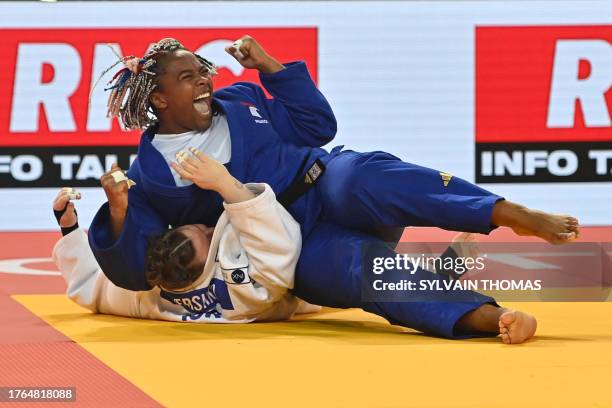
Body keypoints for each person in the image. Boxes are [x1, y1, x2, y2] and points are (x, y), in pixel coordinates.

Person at [88, 35, 569, 341]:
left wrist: (271, 68)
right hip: (298, 245)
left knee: (362, 176)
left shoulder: (241, 98)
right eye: (187, 76)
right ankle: (488, 316)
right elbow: (138, 271)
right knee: (360, 274)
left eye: (202, 70)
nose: (204, 81)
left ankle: (505, 212)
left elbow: (318, 125)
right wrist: (118, 209)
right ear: (158, 97)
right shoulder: (151, 173)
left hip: (326, 183)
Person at [51, 153, 321, 323]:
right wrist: (226, 185)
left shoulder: (151, 297)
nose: (210, 228)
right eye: (207, 234)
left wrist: (69, 228)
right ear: (206, 267)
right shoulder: (247, 293)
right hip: (309, 283)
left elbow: (93, 290)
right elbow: (279, 251)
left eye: (200, 228)